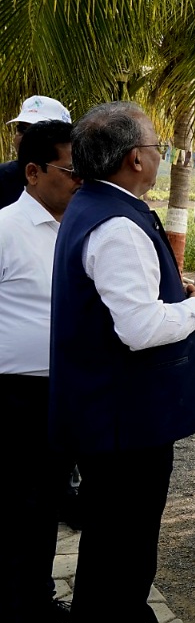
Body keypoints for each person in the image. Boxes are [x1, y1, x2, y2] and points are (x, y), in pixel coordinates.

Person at [49, 102, 195, 621]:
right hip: (124, 420)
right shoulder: (118, 225)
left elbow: (120, 304)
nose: (159, 155)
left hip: (109, 412)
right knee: (124, 540)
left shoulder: (93, 204)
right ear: (134, 159)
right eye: (156, 146)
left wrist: (175, 295)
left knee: (112, 537)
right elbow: (140, 328)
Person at [0, 121, 79, 622]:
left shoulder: (79, 229)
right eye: (70, 169)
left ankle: (36, 598)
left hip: (62, 391)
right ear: (33, 172)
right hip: (14, 396)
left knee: (47, 502)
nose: (80, 180)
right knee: (17, 506)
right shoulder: (5, 229)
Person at [2, 95, 72, 209]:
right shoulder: (2, 178)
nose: (25, 138)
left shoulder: (82, 186)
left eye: (36, 132)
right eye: (21, 130)